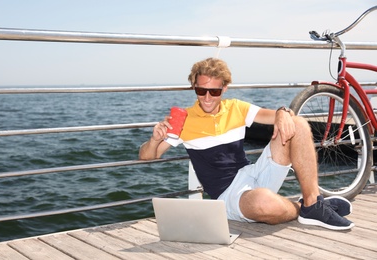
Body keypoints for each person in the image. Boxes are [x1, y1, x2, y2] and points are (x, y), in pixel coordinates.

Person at [139, 57, 354, 230]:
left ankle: (313, 201)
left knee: (297, 123)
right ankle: (304, 207)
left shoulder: (236, 108)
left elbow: (272, 115)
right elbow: (147, 156)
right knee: (263, 202)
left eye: (213, 91)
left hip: (253, 173)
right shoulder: (184, 119)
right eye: (200, 90)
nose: (206, 97)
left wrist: (282, 112)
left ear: (224, 89)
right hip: (228, 195)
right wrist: (154, 140)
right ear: (194, 87)